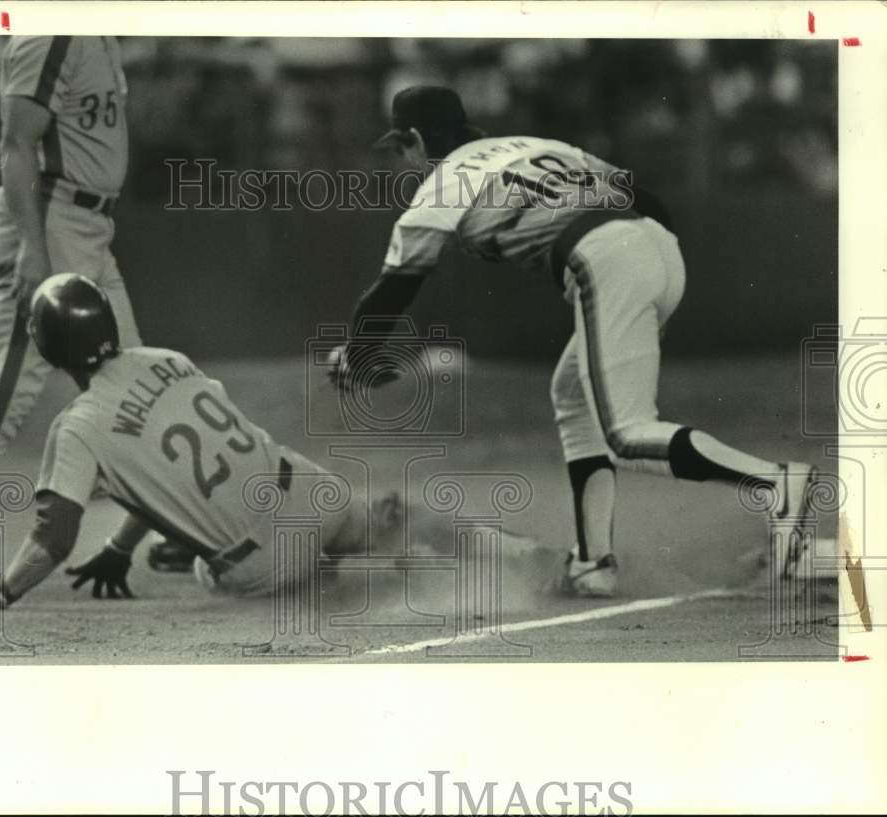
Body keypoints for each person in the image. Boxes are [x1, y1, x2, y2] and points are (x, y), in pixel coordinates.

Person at [328, 85, 817, 598]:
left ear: (414, 138)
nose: (401, 163)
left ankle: (777, 485)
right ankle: (594, 565)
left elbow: (396, 286)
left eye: (401, 148)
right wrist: (644, 262)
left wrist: (356, 351)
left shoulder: (442, 185)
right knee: (573, 396)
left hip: (606, 258)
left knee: (627, 434)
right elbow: (642, 199)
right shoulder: (538, 146)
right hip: (658, 247)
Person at [0, 274, 387, 608]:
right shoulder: (166, 359)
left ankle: (317, 576)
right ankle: (409, 541)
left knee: (206, 569)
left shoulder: (78, 426)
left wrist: (3, 592)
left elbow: (53, 537)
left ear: (49, 346)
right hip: (315, 492)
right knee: (392, 531)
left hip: (265, 558)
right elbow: (162, 470)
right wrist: (119, 547)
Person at [0, 36, 142, 582]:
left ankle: (168, 529)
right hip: (48, 218)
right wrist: (33, 247)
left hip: (88, 226)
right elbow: (15, 142)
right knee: (9, 391)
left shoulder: (97, 31)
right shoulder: (50, 30)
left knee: (135, 381)